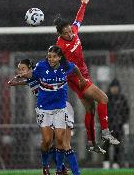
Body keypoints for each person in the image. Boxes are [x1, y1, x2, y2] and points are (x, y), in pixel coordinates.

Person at [55, 0, 119, 153]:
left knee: (90, 109)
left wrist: (83, 4)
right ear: (60, 34)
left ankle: (91, 143)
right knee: (103, 98)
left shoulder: (74, 31)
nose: (70, 34)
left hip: (83, 74)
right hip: (77, 78)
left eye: (70, 31)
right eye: (66, 33)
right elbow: (61, 66)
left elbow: (78, 19)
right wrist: (78, 77)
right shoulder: (60, 46)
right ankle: (105, 133)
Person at [17, 46, 85, 175]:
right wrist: (20, 79)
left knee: (62, 141)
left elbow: (74, 68)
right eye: (49, 56)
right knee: (48, 141)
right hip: (45, 110)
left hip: (62, 107)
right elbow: (31, 80)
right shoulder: (39, 70)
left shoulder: (64, 66)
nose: (51, 59)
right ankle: (49, 166)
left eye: (54, 56)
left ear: (59, 57)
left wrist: (81, 79)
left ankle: (63, 170)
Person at [103, 79, 129, 169]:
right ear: (110, 88)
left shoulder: (122, 99)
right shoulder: (105, 98)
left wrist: (125, 123)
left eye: (116, 87)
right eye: (113, 87)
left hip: (118, 125)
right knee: (106, 144)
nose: (114, 89)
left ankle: (115, 163)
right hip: (108, 125)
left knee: (117, 145)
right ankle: (106, 163)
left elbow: (126, 111)